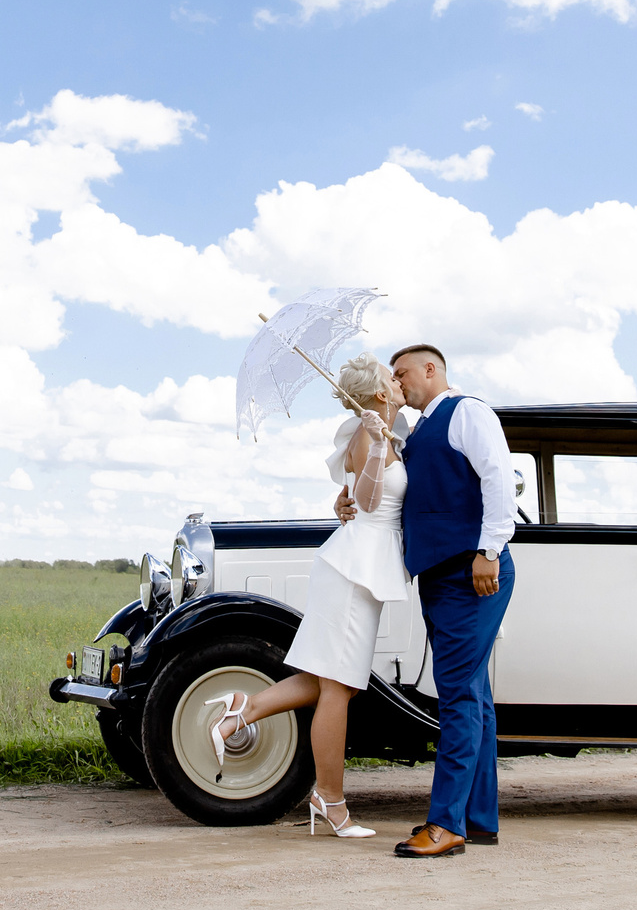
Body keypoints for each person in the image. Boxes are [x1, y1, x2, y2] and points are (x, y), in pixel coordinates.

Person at [204, 354, 411, 839]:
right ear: (380, 393)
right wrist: (377, 449)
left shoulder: (380, 431)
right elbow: (366, 500)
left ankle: (244, 708)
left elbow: (347, 500)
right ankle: (330, 800)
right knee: (339, 687)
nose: (397, 380)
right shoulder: (369, 435)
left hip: (361, 565)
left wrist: (378, 448)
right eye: (391, 376)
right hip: (352, 571)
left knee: (330, 680)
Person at [381, 343, 516, 859]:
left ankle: (446, 824)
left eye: (403, 373)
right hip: (440, 576)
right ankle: (477, 819)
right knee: (474, 696)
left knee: (456, 695)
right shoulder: (417, 431)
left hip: (471, 571)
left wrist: (488, 550)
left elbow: (498, 480)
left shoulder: (468, 413)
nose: (398, 382)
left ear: (431, 369)